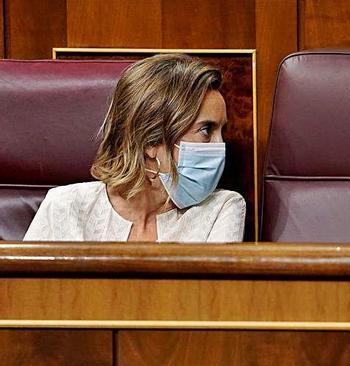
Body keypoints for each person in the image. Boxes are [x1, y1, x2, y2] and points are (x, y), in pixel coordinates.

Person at [24, 53, 245, 242]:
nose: (220, 147)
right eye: (206, 130)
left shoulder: (222, 209)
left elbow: (210, 293)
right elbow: (22, 290)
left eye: (222, 132)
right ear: (150, 141)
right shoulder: (64, 206)